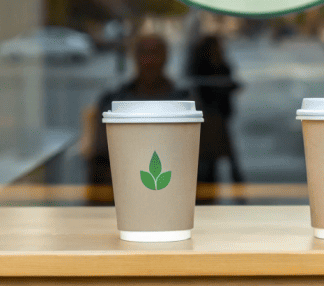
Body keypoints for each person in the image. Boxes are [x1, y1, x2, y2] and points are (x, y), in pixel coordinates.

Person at [84, 33, 188, 187]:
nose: (149, 61)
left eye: (155, 53)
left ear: (166, 57)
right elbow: (100, 156)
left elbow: (194, 159)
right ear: (135, 57)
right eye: (144, 53)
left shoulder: (185, 101)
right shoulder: (113, 101)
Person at [187, 35, 244, 184]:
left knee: (222, 160)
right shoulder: (204, 67)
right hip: (210, 117)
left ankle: (238, 196)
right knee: (212, 161)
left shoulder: (220, 66)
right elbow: (204, 91)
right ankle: (213, 196)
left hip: (219, 117)